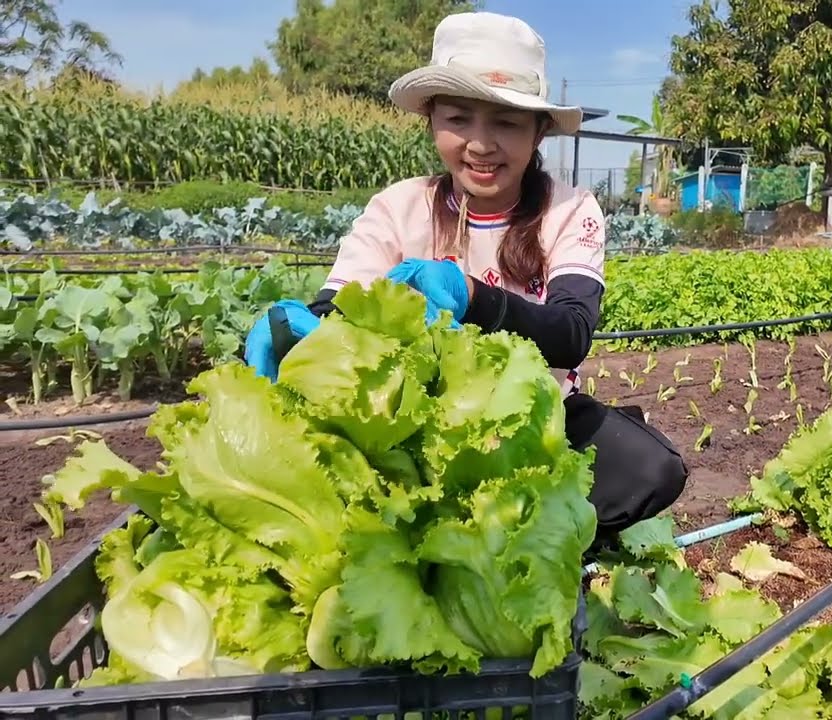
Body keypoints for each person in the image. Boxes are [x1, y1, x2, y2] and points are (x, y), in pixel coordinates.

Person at [243, 11, 688, 547]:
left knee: (650, 470)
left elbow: (572, 334)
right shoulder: (398, 206)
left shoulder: (568, 209)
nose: (480, 144)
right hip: (408, 428)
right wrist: (300, 327)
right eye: (459, 118)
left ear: (539, 130)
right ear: (431, 119)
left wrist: (474, 296)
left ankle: (542, 540)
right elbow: (337, 303)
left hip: (532, 419)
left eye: (506, 122)